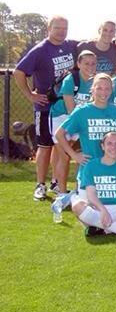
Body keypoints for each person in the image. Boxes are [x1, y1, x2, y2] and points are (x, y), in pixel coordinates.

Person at [14, 16, 76, 200]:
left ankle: (56, 183)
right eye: (57, 28)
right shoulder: (40, 50)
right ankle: (40, 185)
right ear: (49, 28)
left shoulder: (69, 46)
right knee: (45, 146)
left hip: (62, 107)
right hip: (45, 107)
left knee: (59, 146)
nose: (61, 31)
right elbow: (19, 72)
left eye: (65, 28)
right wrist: (30, 95)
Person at [55, 74, 116, 202]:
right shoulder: (82, 111)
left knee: (109, 210)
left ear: (112, 90)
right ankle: (72, 198)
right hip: (89, 168)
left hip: (112, 170)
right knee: (88, 212)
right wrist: (74, 155)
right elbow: (59, 134)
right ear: (92, 89)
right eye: (99, 88)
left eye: (107, 89)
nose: (103, 92)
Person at [48, 50, 97, 195]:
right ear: (78, 64)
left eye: (93, 63)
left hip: (79, 119)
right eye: (86, 63)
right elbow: (71, 110)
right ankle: (62, 193)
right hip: (61, 117)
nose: (90, 66)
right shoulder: (71, 79)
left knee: (84, 154)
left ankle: (80, 189)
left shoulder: (96, 81)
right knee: (64, 155)